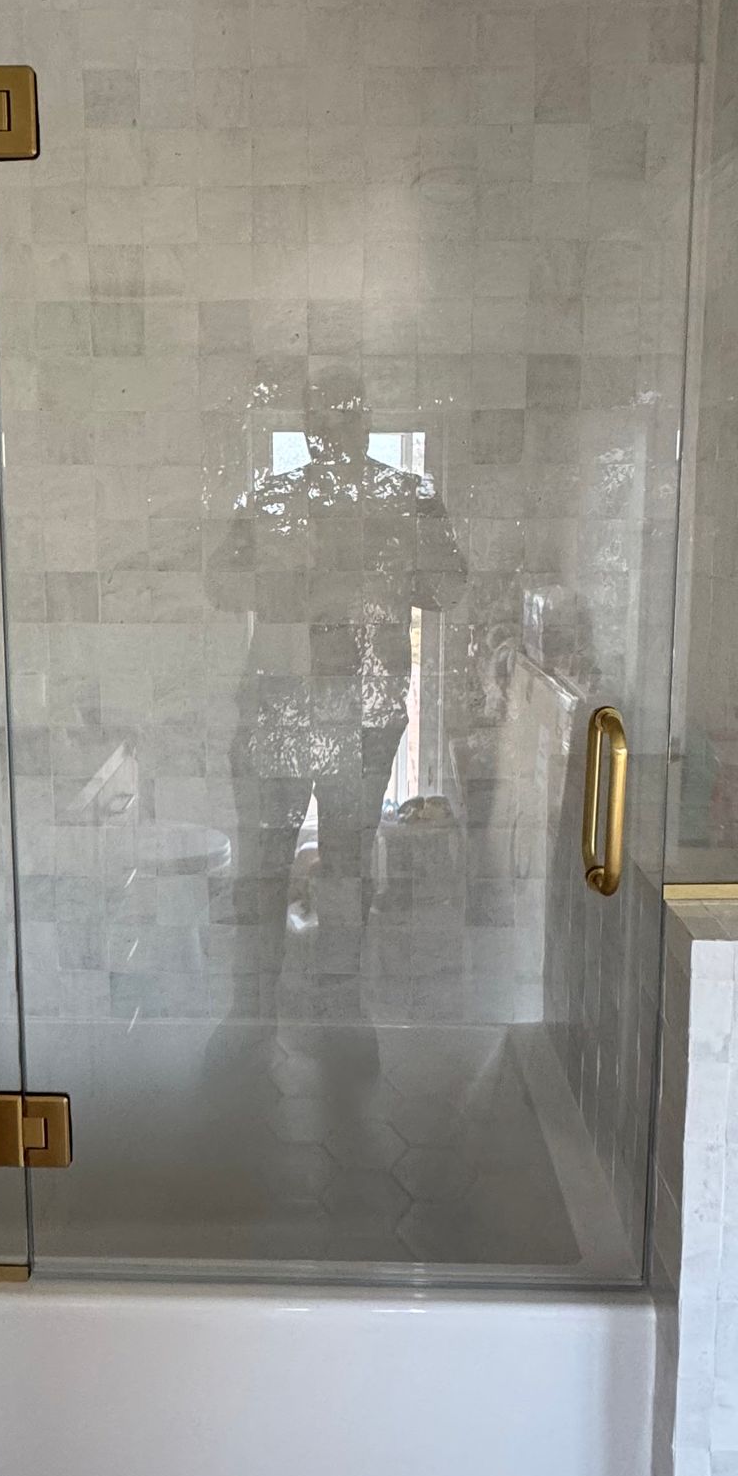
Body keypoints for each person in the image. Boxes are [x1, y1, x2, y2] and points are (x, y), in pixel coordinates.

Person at [206, 365, 465, 1035]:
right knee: (278, 864)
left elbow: (445, 587)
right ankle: (271, 1007)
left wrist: (371, 548)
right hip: (290, 711)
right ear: (311, 428)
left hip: (352, 712)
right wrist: (311, 575)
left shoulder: (397, 497)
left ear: (362, 424)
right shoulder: (281, 499)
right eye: (327, 417)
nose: (336, 430)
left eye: (344, 416)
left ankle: (329, 1004)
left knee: (335, 865)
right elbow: (223, 586)